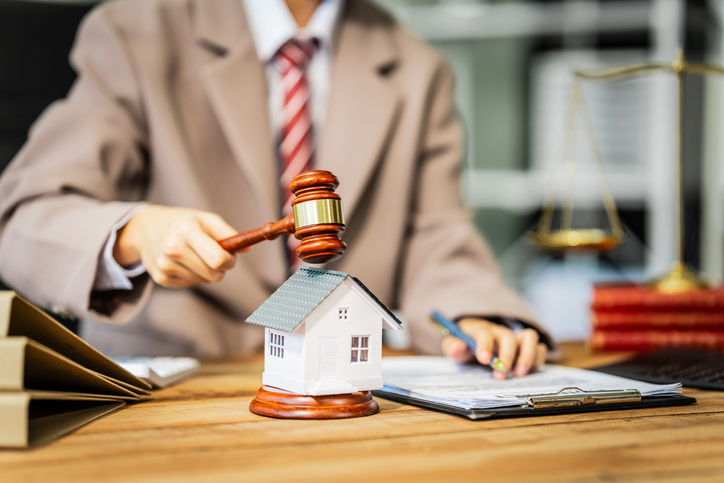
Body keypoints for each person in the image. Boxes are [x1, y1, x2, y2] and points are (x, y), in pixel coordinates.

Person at [0, 0, 555, 379]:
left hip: (341, 388)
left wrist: (477, 317)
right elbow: (22, 217)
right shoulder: (136, 32)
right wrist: (134, 233)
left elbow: (438, 236)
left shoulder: (418, 67)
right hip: (173, 389)